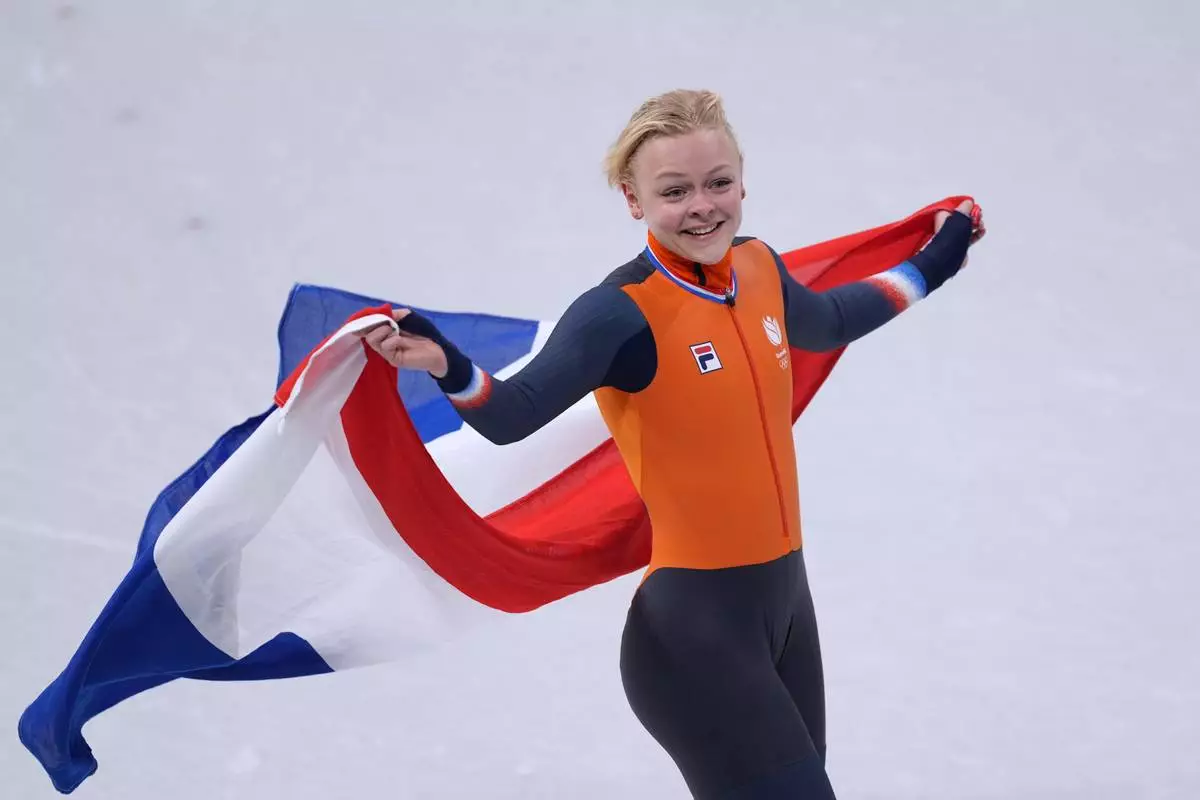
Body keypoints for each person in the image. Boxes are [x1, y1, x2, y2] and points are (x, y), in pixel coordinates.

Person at [358, 89, 985, 799]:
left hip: (784, 615)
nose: (703, 206)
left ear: (743, 179)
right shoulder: (619, 312)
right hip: (693, 638)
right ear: (633, 200)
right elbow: (514, 413)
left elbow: (833, 317)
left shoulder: (758, 269)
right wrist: (448, 364)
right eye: (674, 191)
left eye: (718, 183)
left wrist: (937, 260)